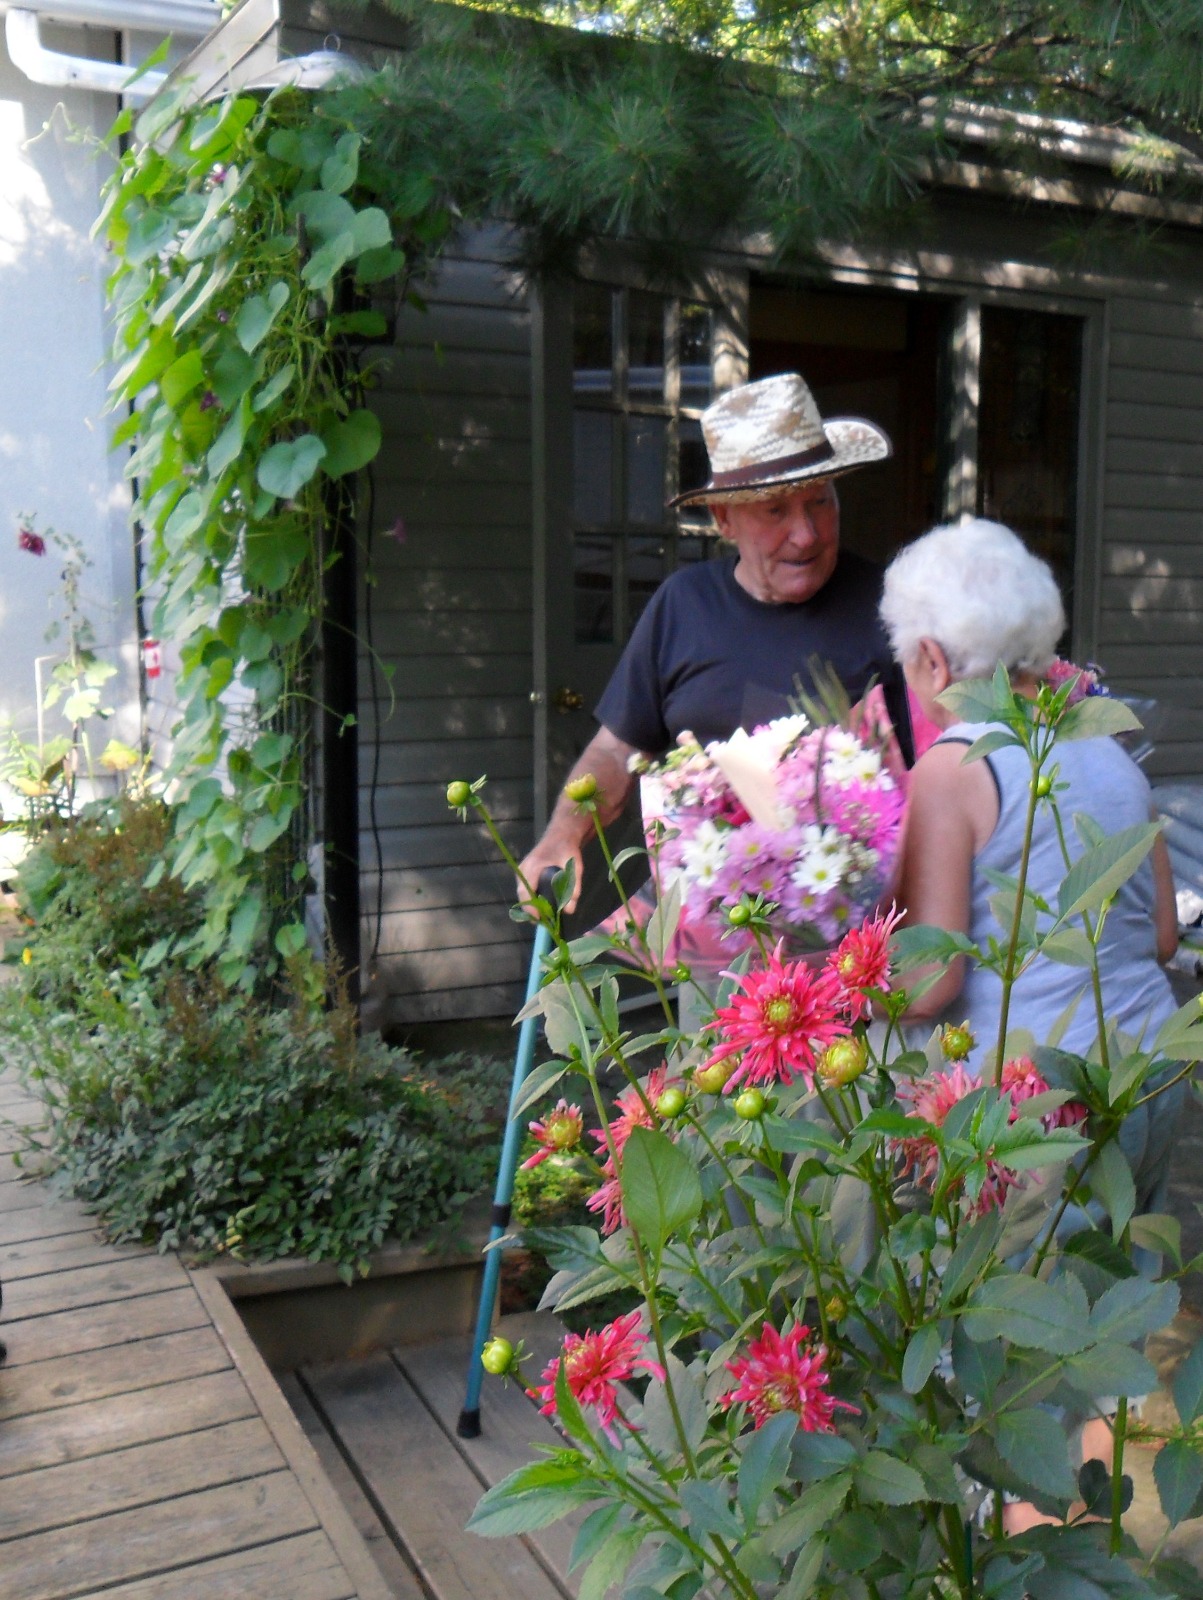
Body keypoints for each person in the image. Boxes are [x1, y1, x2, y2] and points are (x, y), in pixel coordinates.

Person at [880, 519, 1182, 1532]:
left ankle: (1030, 1549)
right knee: (1107, 1332)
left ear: (931, 658)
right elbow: (1169, 934)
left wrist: (838, 975)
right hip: (1147, 1071)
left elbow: (926, 985)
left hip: (1029, 1107)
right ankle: (1102, 1535)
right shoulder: (1107, 747)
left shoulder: (952, 769)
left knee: (1012, 1370)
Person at [519, 371, 909, 909]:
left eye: (819, 501)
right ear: (725, 518)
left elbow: (934, 778)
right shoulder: (683, 606)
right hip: (708, 945)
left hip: (855, 941)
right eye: (776, 511)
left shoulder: (893, 608)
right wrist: (564, 833)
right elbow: (615, 749)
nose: (807, 533)